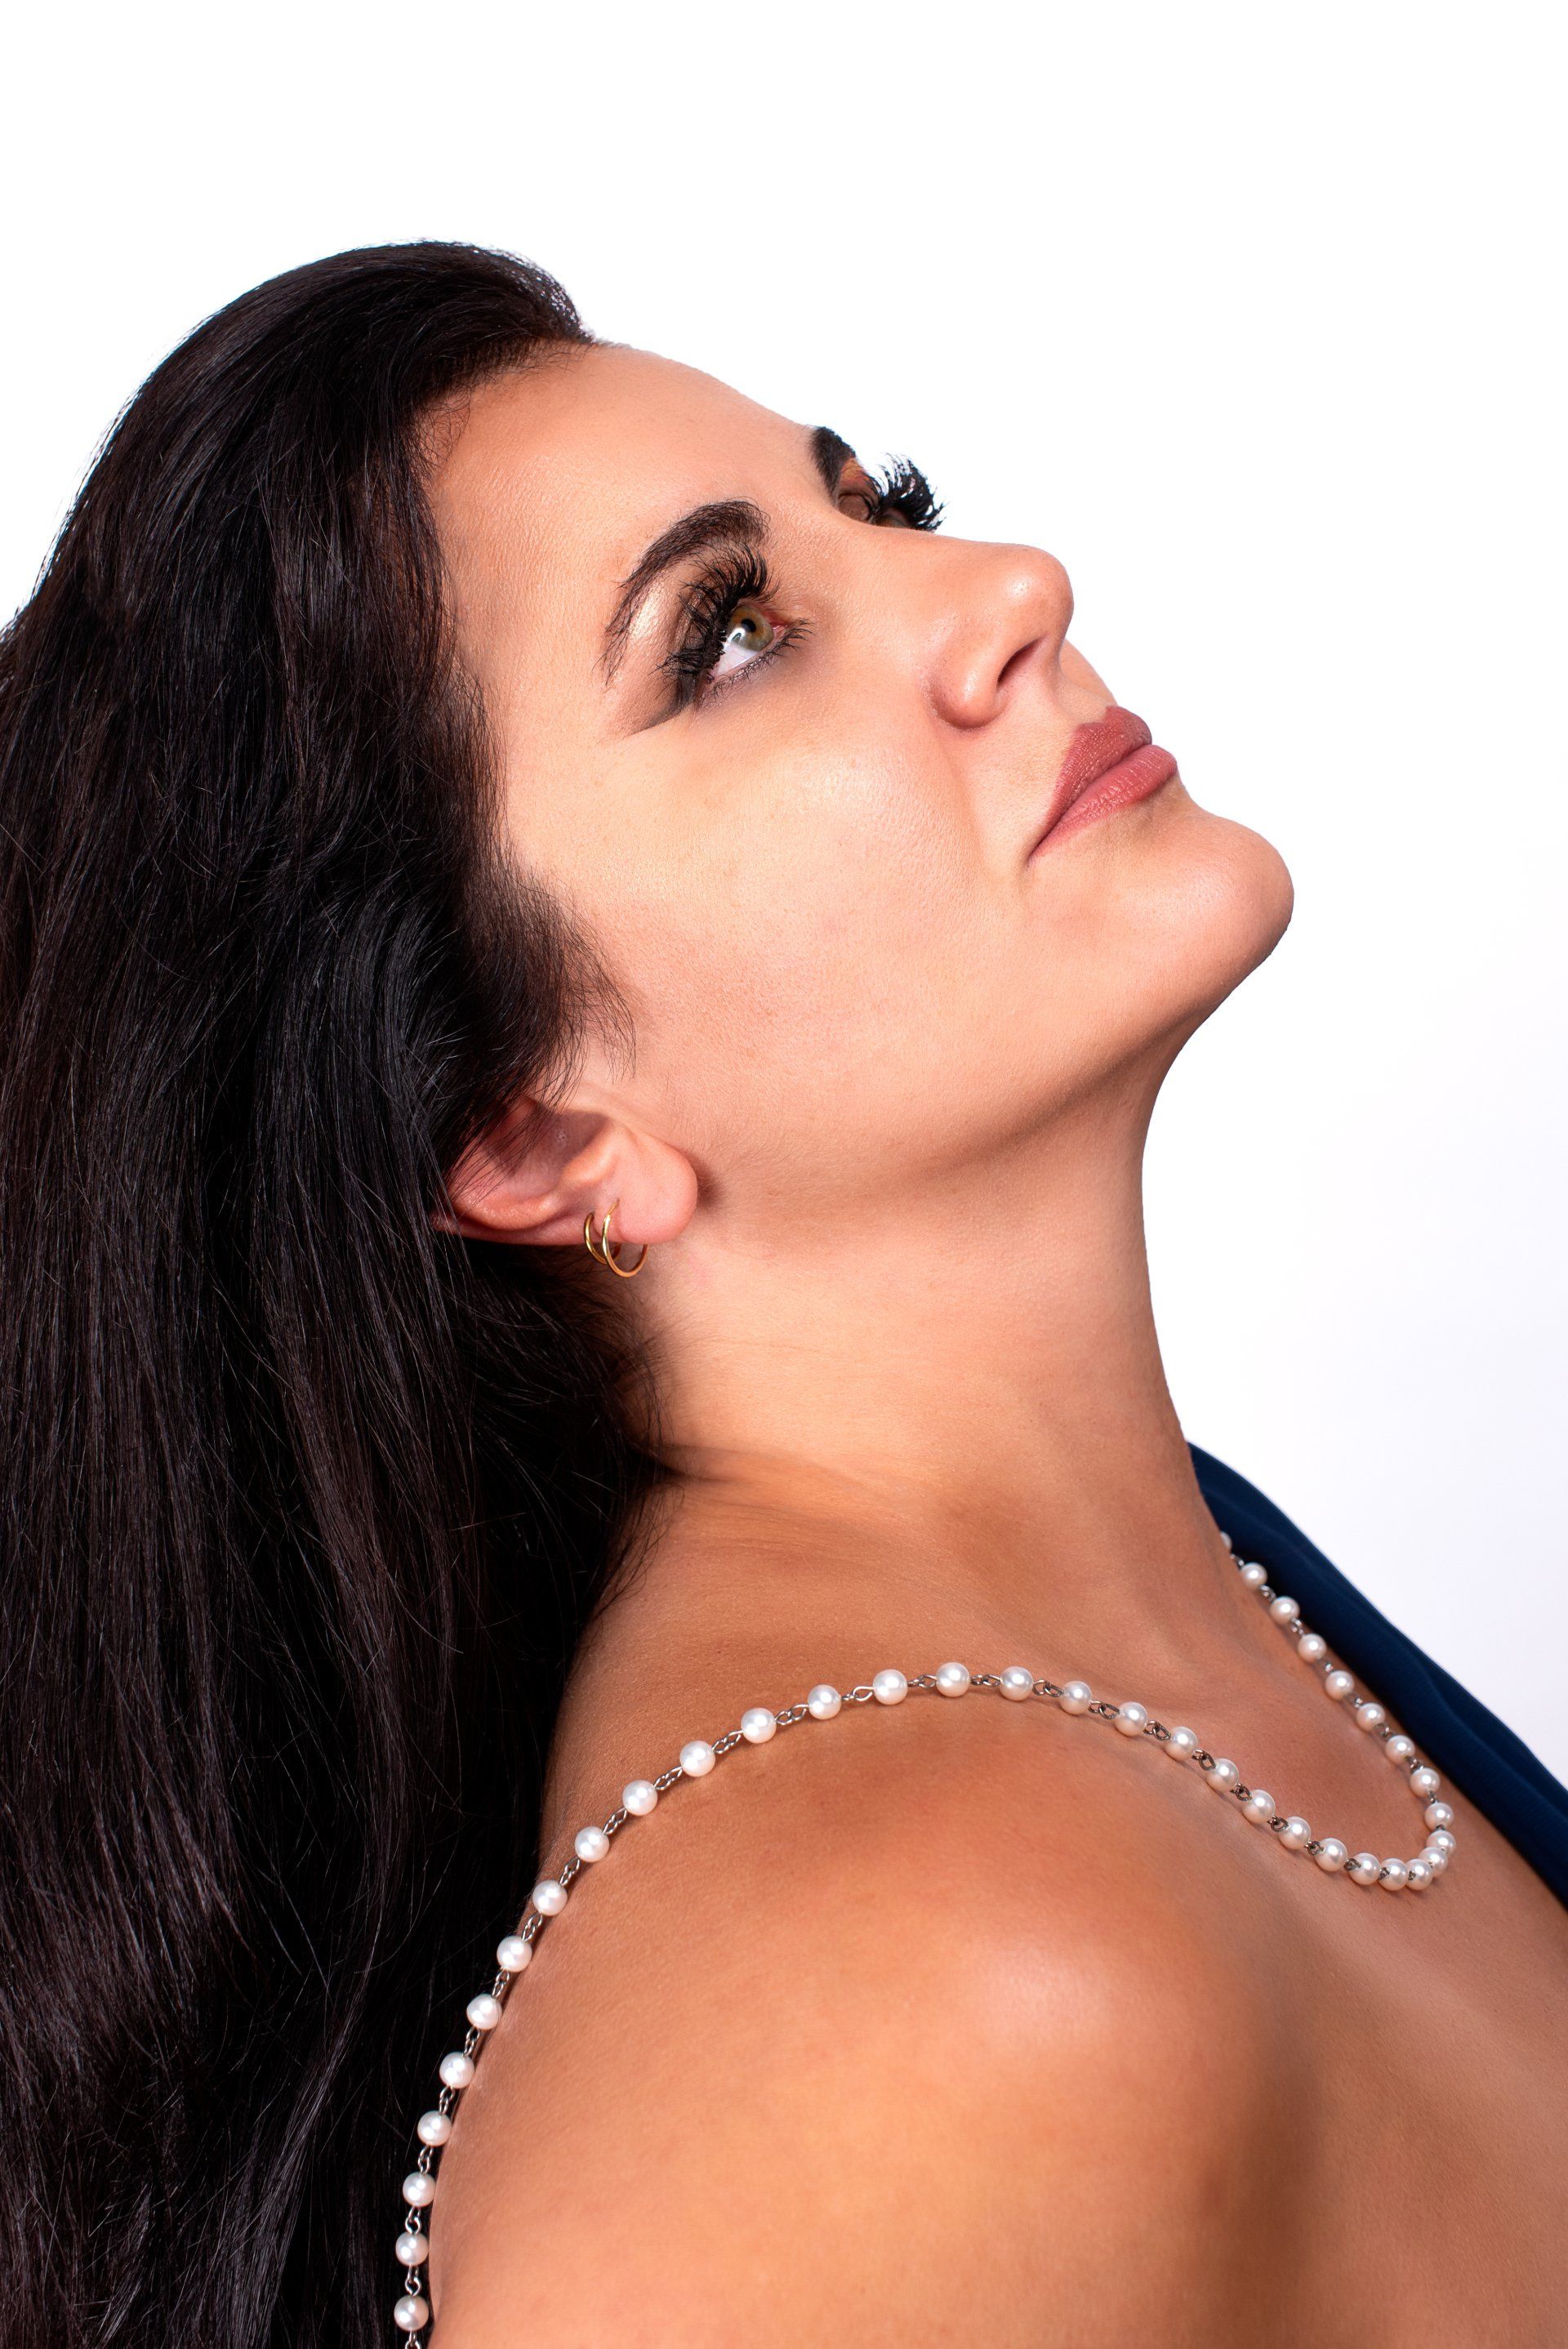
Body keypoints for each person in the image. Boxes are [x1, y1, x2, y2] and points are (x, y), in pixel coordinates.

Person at [1, 243, 1562, 2349]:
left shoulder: (1203, 1610)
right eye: (730, 637)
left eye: (884, 501)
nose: (1012, 582)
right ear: (531, 1134)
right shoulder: (897, 1980)